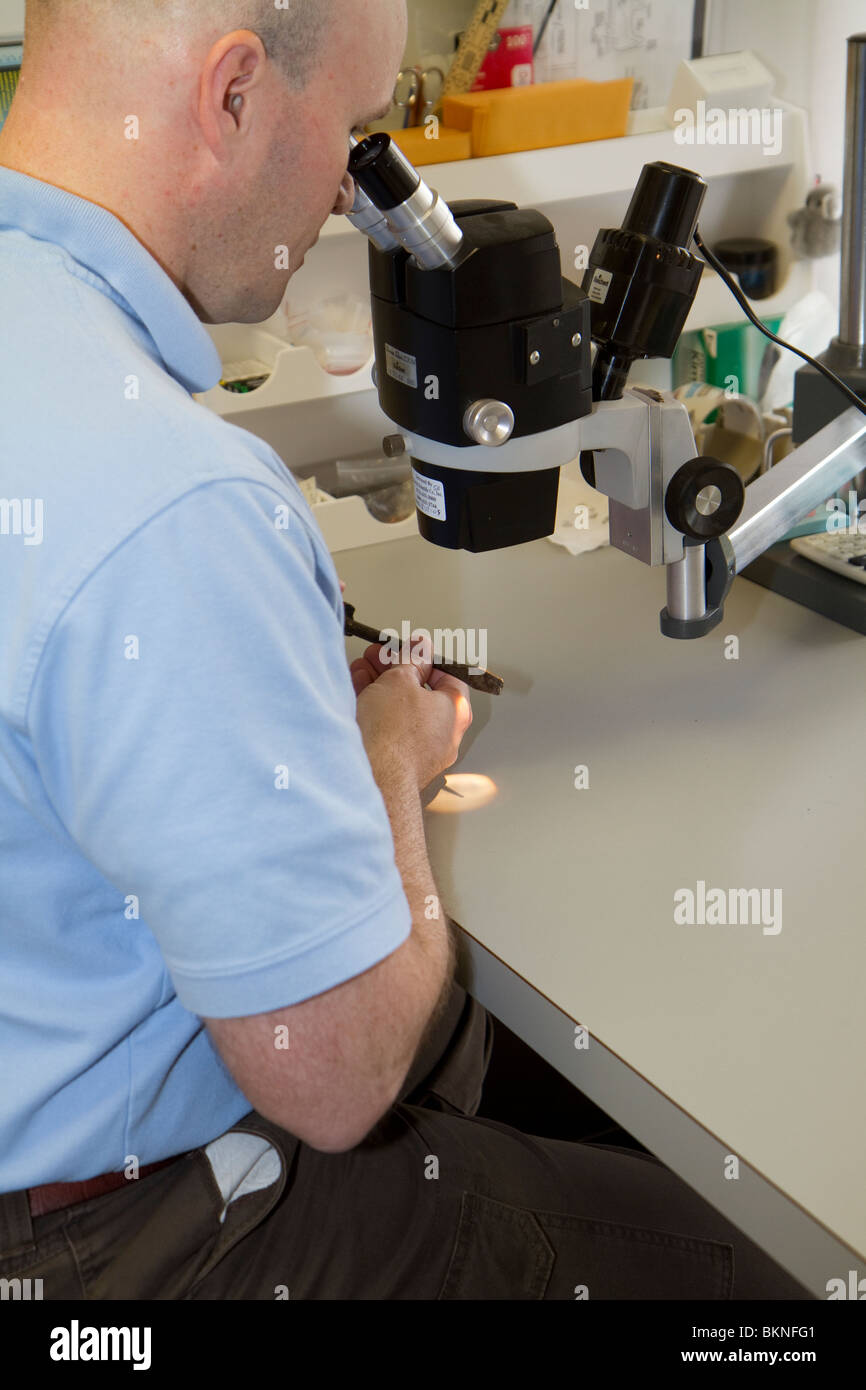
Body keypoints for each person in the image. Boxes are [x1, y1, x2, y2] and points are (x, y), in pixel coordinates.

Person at [0, 0, 812, 1300]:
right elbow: (332, 1076)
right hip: (115, 1251)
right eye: (356, 131)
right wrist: (388, 756)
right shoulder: (173, 501)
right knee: (749, 1260)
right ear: (232, 95)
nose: (348, 189)